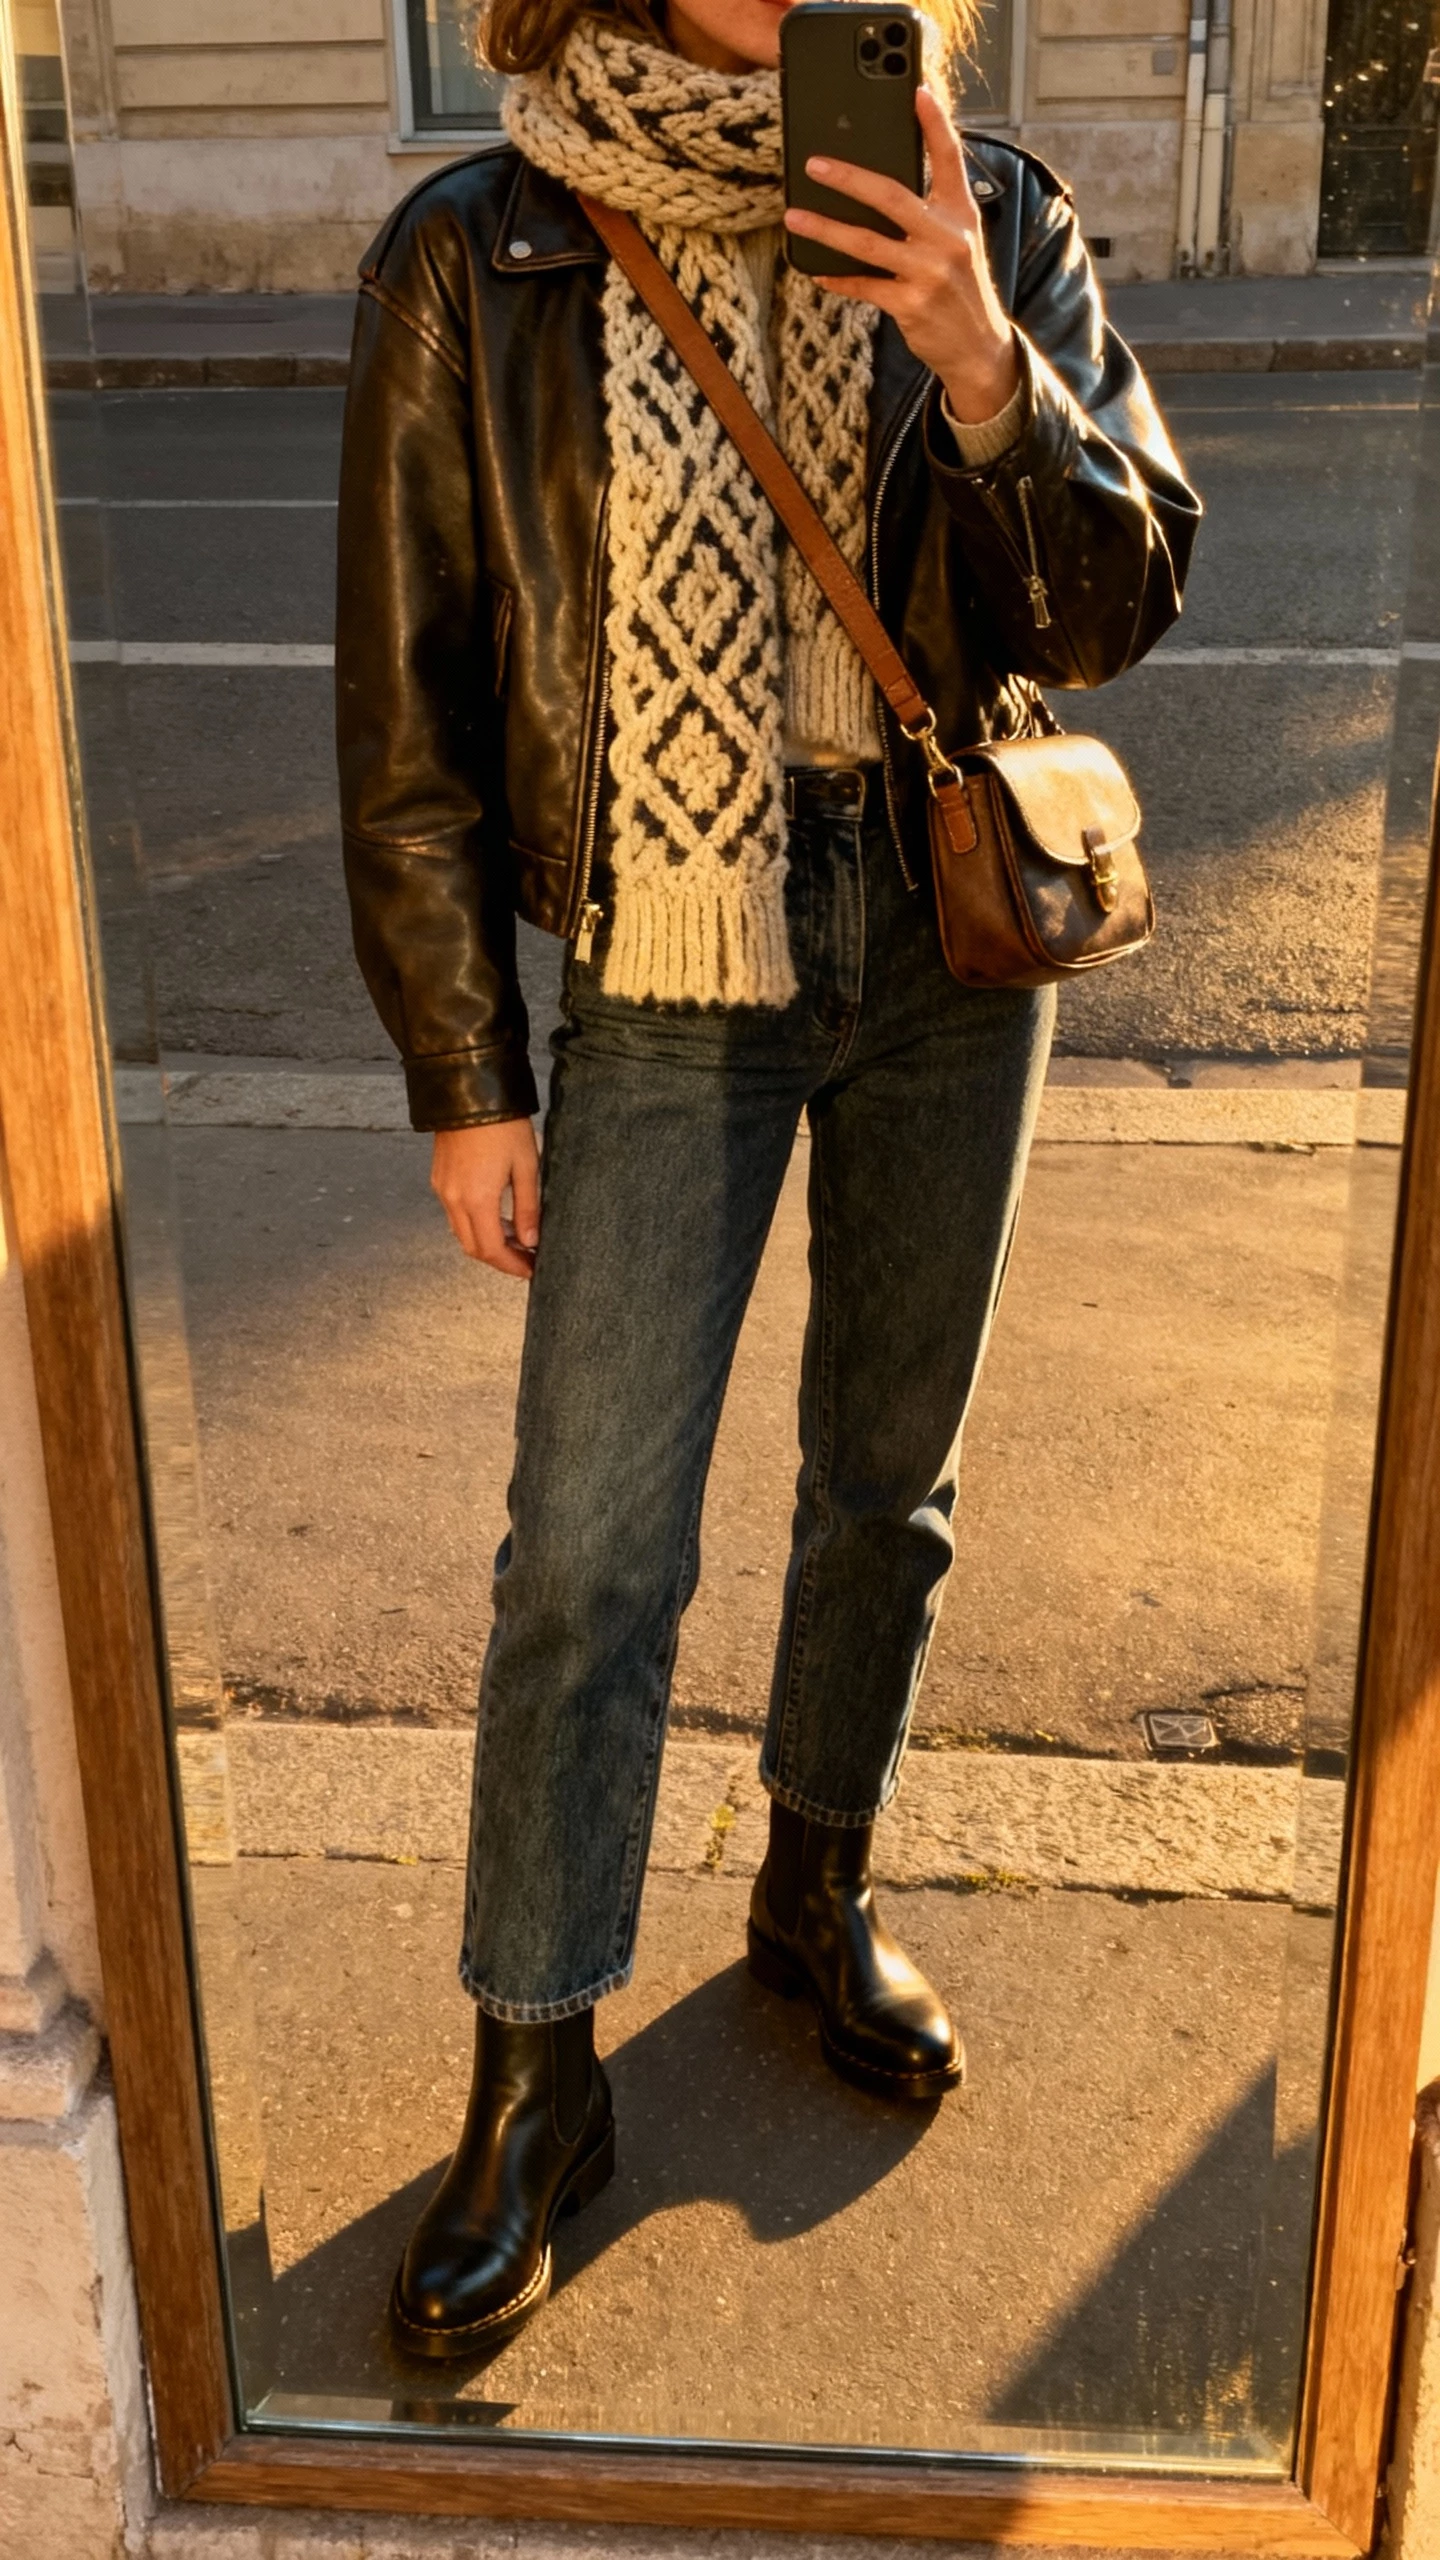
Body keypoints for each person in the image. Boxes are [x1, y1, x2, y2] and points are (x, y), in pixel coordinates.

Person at [335, 0, 1200, 2362]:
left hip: (939, 928)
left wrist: (981, 354)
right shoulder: (478, 250)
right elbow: (404, 712)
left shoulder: (980, 198)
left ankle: (813, 1888)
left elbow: (1112, 602)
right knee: (591, 1544)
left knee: (889, 1476)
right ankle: (535, 2059)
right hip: (659, 953)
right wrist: (462, 1072)